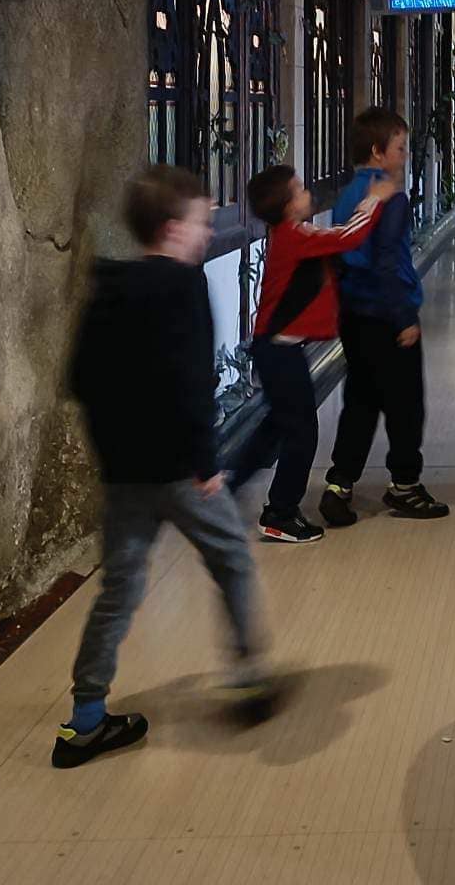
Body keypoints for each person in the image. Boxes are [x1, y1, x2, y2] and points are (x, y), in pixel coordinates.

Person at [54, 166, 275, 769]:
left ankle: (85, 720)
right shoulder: (184, 286)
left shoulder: (107, 288)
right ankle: (249, 681)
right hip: (182, 472)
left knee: (119, 590)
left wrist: (114, 453)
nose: (208, 233)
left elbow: (80, 380)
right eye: (203, 222)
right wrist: (206, 463)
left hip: (124, 476)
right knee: (231, 561)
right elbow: (191, 383)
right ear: (175, 229)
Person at [230, 163, 395, 543]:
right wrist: (373, 200)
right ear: (290, 205)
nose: (308, 192)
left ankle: (227, 486)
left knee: (278, 425)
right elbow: (347, 237)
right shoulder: (294, 235)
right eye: (301, 188)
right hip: (278, 351)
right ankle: (279, 512)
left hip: (276, 347)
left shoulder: (290, 234)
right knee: (302, 432)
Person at [321, 108, 450, 524]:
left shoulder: (346, 196)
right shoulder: (390, 197)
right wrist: (404, 317)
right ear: (378, 151)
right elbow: (389, 262)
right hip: (387, 316)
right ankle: (405, 486)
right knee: (406, 404)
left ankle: (339, 484)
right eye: (400, 148)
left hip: (355, 316)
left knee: (359, 401)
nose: (404, 155)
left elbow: (343, 255)